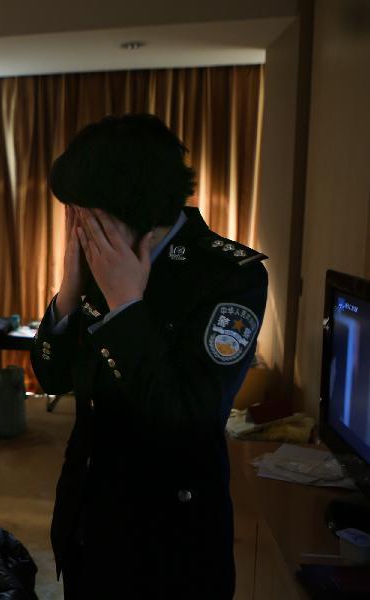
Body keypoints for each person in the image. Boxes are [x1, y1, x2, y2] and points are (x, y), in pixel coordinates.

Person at [31, 114, 267, 598]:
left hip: (168, 538)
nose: (76, 224)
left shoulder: (227, 275)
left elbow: (189, 419)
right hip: (87, 514)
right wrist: (68, 295)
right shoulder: (101, 257)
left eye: (84, 210)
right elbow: (51, 375)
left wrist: (126, 306)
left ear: (129, 206)